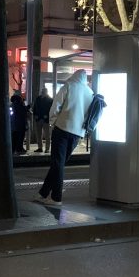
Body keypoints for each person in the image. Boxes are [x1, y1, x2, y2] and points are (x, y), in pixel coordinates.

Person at [35, 69, 93, 206]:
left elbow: (56, 106)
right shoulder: (90, 92)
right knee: (59, 164)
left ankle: (56, 197)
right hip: (77, 133)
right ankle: (43, 193)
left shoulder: (68, 86)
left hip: (62, 128)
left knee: (57, 163)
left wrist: (53, 122)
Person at [31, 87, 53, 153]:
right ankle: (40, 148)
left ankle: (47, 148)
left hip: (46, 120)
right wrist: (35, 115)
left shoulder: (50, 100)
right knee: (38, 134)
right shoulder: (38, 98)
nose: (43, 92)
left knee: (47, 135)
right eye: (42, 91)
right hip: (38, 119)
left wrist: (47, 116)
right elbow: (35, 107)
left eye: (44, 91)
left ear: (46, 92)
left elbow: (51, 109)